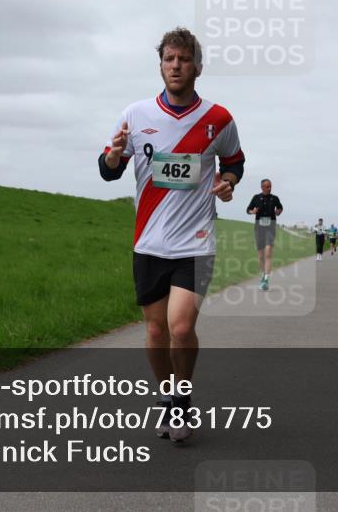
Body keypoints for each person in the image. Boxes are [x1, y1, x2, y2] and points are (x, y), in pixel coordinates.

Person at [99, 27, 244, 443]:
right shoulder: (135, 114)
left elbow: (235, 161)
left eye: (183, 59)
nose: (175, 66)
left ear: (197, 66)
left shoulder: (219, 119)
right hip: (148, 243)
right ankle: (166, 398)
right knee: (156, 331)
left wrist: (229, 180)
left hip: (196, 243)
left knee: (180, 328)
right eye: (168, 59)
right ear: (160, 65)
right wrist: (112, 156)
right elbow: (109, 169)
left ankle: (182, 402)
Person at [246, 179, 283, 290]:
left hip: (270, 227)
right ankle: (263, 274)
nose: (269, 188)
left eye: (270, 186)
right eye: (267, 187)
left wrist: (278, 211)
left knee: (268, 253)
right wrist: (253, 212)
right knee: (261, 256)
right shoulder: (256, 198)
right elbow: (248, 209)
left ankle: (266, 279)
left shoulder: (274, 198)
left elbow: (280, 208)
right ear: (262, 187)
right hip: (259, 228)